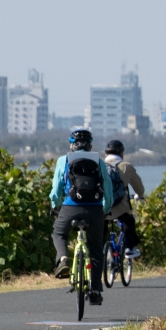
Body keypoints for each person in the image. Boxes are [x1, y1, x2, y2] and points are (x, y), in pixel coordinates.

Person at [49, 126, 113, 306]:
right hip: (94, 209)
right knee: (95, 249)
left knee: (59, 233)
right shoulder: (99, 161)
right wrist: (106, 208)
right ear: (90, 145)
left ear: (72, 146)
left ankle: (63, 260)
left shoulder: (63, 160)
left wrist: (55, 205)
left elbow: (56, 190)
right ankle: (95, 290)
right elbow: (107, 188)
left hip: (71, 207)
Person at [104, 139, 145, 259]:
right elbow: (139, 188)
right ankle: (129, 248)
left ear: (106, 154)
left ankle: (99, 249)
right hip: (120, 208)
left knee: (101, 225)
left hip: (103, 208)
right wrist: (139, 195)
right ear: (121, 154)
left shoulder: (100, 166)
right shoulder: (126, 167)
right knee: (129, 221)